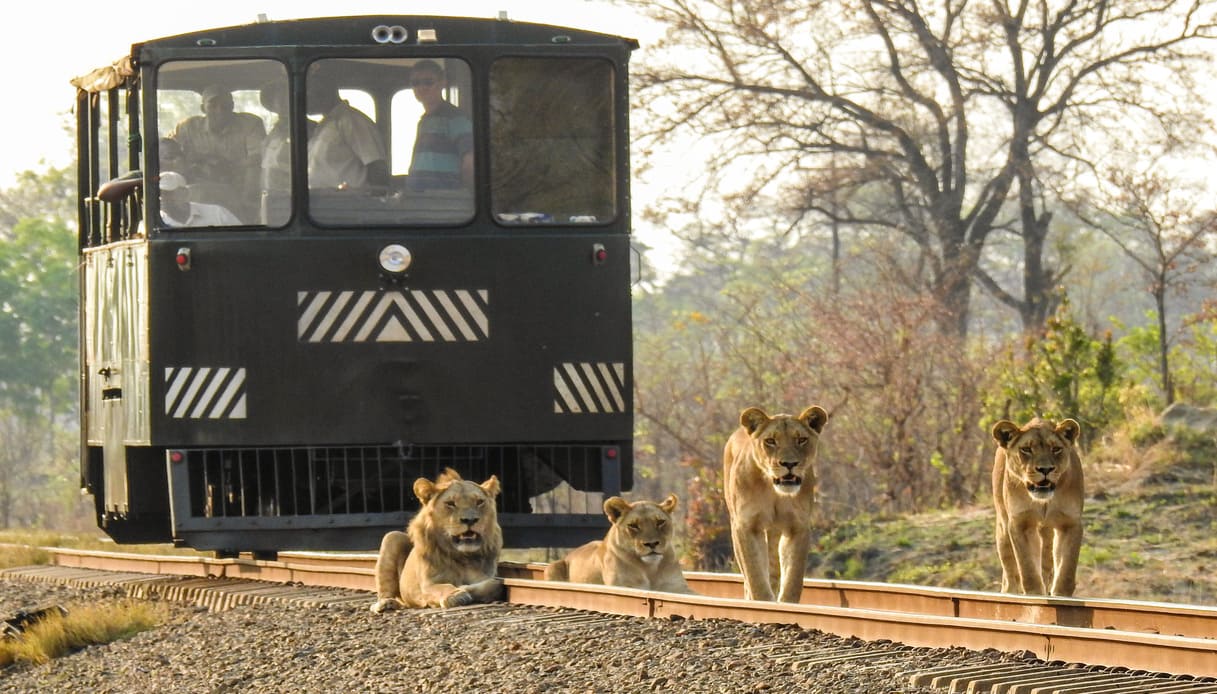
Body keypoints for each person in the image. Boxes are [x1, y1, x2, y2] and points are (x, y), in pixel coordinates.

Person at [168, 86, 265, 220]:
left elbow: (256, 162)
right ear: (203, 108)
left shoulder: (250, 125)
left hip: (239, 190)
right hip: (196, 193)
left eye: (225, 105)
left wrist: (249, 202)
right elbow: (168, 153)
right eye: (213, 105)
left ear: (232, 106)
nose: (220, 110)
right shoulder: (188, 127)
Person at [306, 76, 388, 189]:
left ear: (324, 91)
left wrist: (374, 202)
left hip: (347, 203)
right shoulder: (324, 125)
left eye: (308, 93)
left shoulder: (352, 121)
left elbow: (377, 166)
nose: (304, 100)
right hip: (321, 202)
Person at [407, 60, 474, 190]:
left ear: (442, 82)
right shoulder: (424, 121)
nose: (421, 87)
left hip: (442, 201)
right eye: (416, 83)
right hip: (421, 201)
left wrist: (464, 197)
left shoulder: (456, 118)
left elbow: (470, 160)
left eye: (428, 82)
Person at [158, 172, 241, 227]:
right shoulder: (152, 225)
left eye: (167, 193)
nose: (161, 198)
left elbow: (243, 238)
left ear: (184, 193)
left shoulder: (217, 214)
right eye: (158, 194)